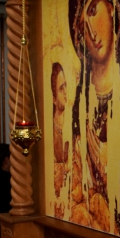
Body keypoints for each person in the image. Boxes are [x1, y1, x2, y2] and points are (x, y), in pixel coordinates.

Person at [68, 0, 120, 236]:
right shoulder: (79, 106)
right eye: (83, 24)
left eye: (94, 11)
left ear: (114, 7)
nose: (92, 32)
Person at [51, 63, 69, 219]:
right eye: (61, 88)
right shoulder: (50, 130)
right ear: (53, 98)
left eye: (66, 87)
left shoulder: (75, 125)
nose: (66, 92)